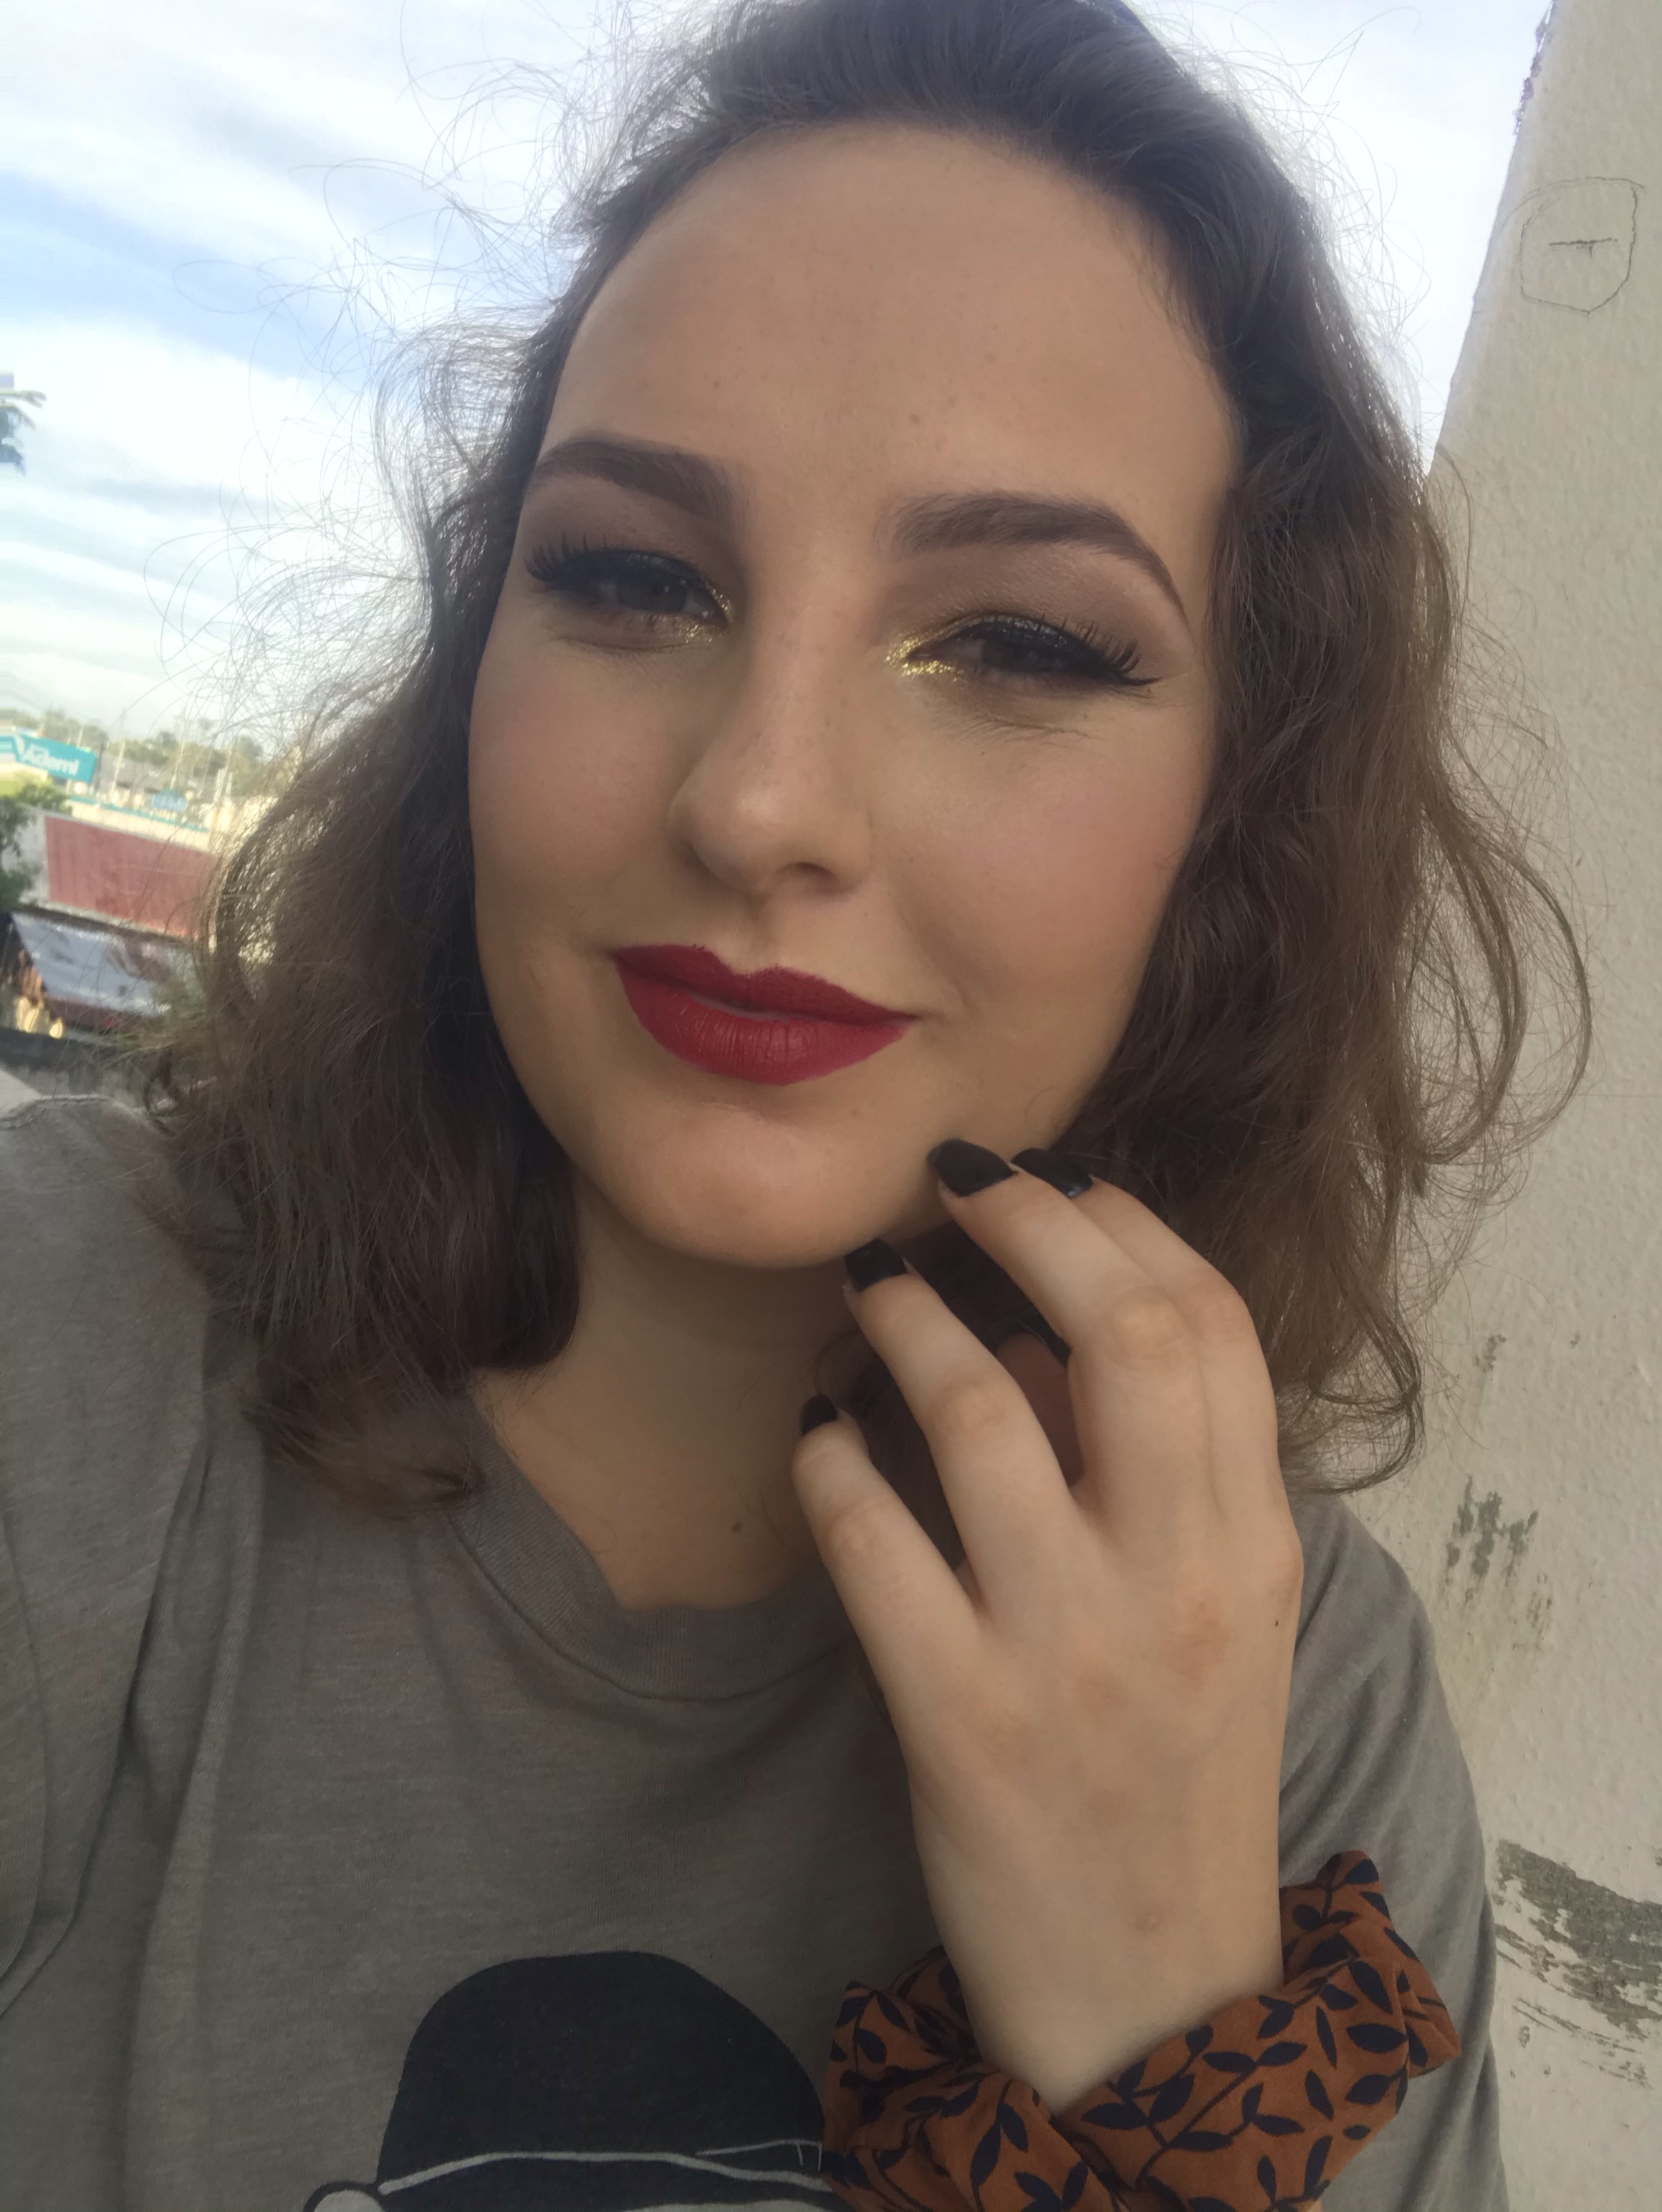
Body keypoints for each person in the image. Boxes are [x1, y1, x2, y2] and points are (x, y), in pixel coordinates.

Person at [0, 1, 1589, 2206]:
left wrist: (1160, 2025)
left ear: (1242, 807)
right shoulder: (64, 1356)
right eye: (635, 578)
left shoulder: (1292, 1688)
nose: (758, 802)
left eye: (1019, 642)